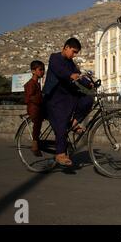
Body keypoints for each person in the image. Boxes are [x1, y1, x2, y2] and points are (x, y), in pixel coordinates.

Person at [43, 38, 94, 166]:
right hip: (54, 98)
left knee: (88, 99)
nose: (74, 55)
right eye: (73, 51)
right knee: (61, 122)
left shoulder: (71, 63)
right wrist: (70, 75)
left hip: (68, 96)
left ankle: (74, 122)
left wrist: (89, 84)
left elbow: (78, 75)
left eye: (76, 53)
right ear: (66, 47)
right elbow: (60, 71)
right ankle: (60, 154)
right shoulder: (54, 58)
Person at [24, 60, 45, 156]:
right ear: (33, 71)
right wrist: (41, 99)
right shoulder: (31, 84)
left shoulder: (36, 83)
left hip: (38, 107)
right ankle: (34, 143)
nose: (42, 72)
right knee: (36, 125)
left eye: (43, 70)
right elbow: (29, 97)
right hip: (34, 109)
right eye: (40, 70)